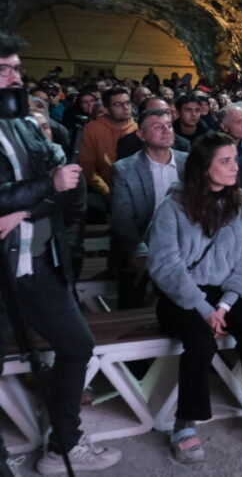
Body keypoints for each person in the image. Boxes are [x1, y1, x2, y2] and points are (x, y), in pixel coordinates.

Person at [0, 33, 121, 473]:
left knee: (77, 344)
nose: (15, 78)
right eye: (4, 70)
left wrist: (22, 206)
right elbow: (51, 181)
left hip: (37, 260)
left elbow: (66, 183)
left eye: (16, 68)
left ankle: (64, 445)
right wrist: (43, 187)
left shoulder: (21, 123)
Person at [146, 132, 242, 462]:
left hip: (228, 294)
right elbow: (165, 265)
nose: (235, 167)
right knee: (199, 339)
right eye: (225, 161)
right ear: (205, 168)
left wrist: (224, 304)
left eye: (235, 159)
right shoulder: (173, 206)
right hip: (183, 294)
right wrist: (204, 308)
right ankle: (184, 422)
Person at [109, 109, 188, 309]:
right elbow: (122, 219)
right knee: (132, 298)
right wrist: (141, 253)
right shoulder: (125, 169)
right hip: (144, 243)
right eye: (157, 127)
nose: (166, 130)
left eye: (169, 125)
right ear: (141, 135)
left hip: (184, 246)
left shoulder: (189, 162)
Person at [78, 85, 137, 197]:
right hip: (103, 190)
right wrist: (106, 191)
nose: (125, 107)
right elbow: (87, 166)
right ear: (106, 109)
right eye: (118, 104)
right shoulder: (92, 129)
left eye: (127, 103)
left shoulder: (138, 129)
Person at [117, 97, 190, 159]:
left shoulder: (182, 145)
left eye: (167, 112)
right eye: (156, 113)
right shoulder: (127, 143)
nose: (163, 117)